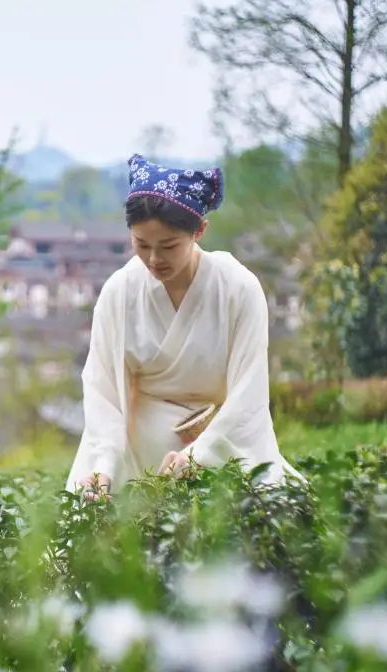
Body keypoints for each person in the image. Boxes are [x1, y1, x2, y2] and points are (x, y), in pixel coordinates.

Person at [65, 154, 304, 500]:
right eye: (142, 245)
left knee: (275, 522)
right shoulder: (120, 292)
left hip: (222, 441)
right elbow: (102, 388)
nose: (154, 260)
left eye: (169, 246)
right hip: (136, 451)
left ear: (200, 231)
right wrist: (103, 464)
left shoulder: (237, 288)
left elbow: (249, 394)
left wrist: (199, 455)